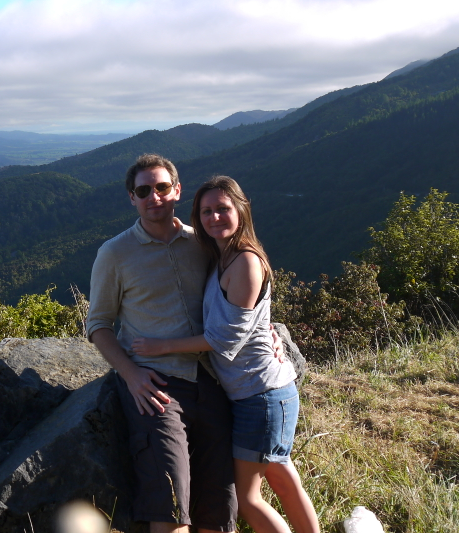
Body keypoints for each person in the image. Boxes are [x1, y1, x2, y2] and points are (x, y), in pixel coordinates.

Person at [131, 176, 320, 533]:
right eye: (206, 211)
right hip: (257, 392)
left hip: (261, 396)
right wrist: (272, 332)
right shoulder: (220, 255)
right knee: (281, 475)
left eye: (223, 209)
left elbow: (224, 339)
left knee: (249, 499)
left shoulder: (245, 263)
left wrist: (161, 346)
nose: (214, 217)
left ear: (241, 210)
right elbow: (251, 319)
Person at [86, 154, 237, 533]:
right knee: (170, 504)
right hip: (156, 387)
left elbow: (239, 291)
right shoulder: (115, 254)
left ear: (177, 190)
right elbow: (98, 325)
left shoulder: (202, 243)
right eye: (143, 190)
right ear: (131, 198)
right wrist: (131, 374)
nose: (154, 196)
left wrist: (263, 329)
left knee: (220, 506)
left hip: (211, 380)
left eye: (162, 187)